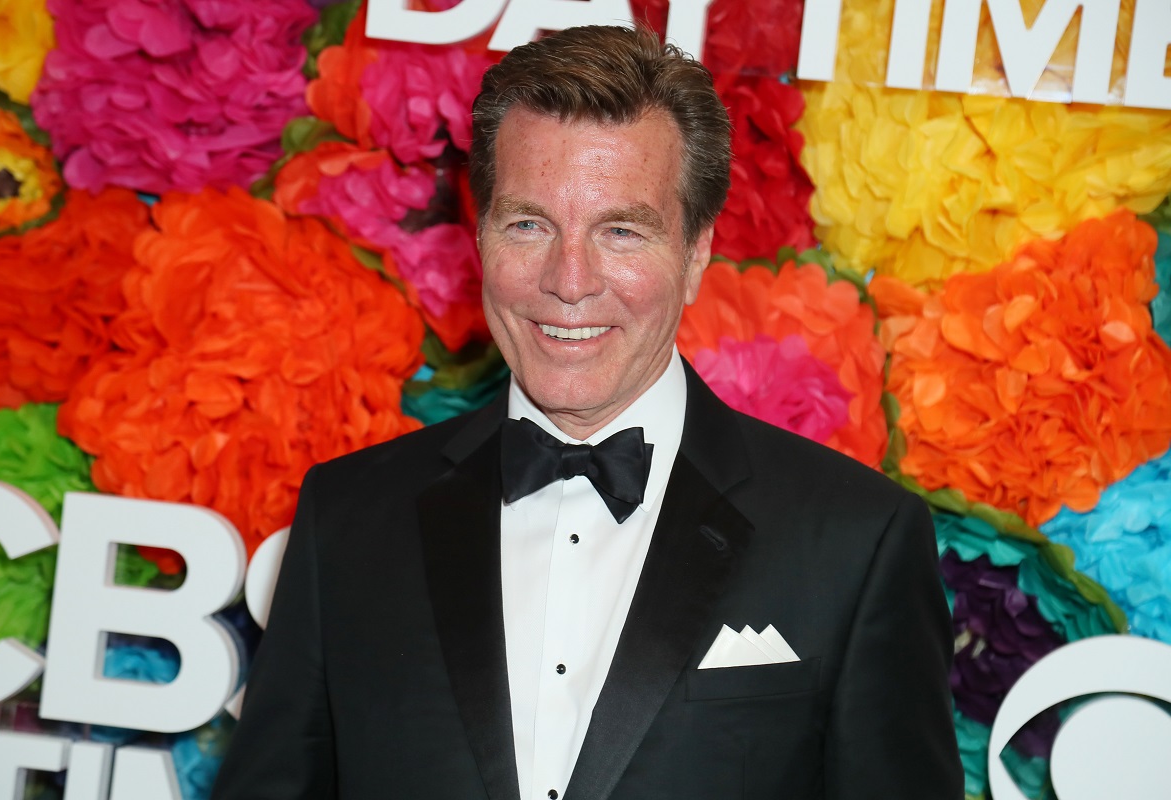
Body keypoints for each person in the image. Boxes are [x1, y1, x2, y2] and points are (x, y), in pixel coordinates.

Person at [212, 25, 962, 800]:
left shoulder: (855, 542)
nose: (568, 281)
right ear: (479, 235)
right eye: (529, 224)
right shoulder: (348, 517)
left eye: (621, 231)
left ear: (697, 251)